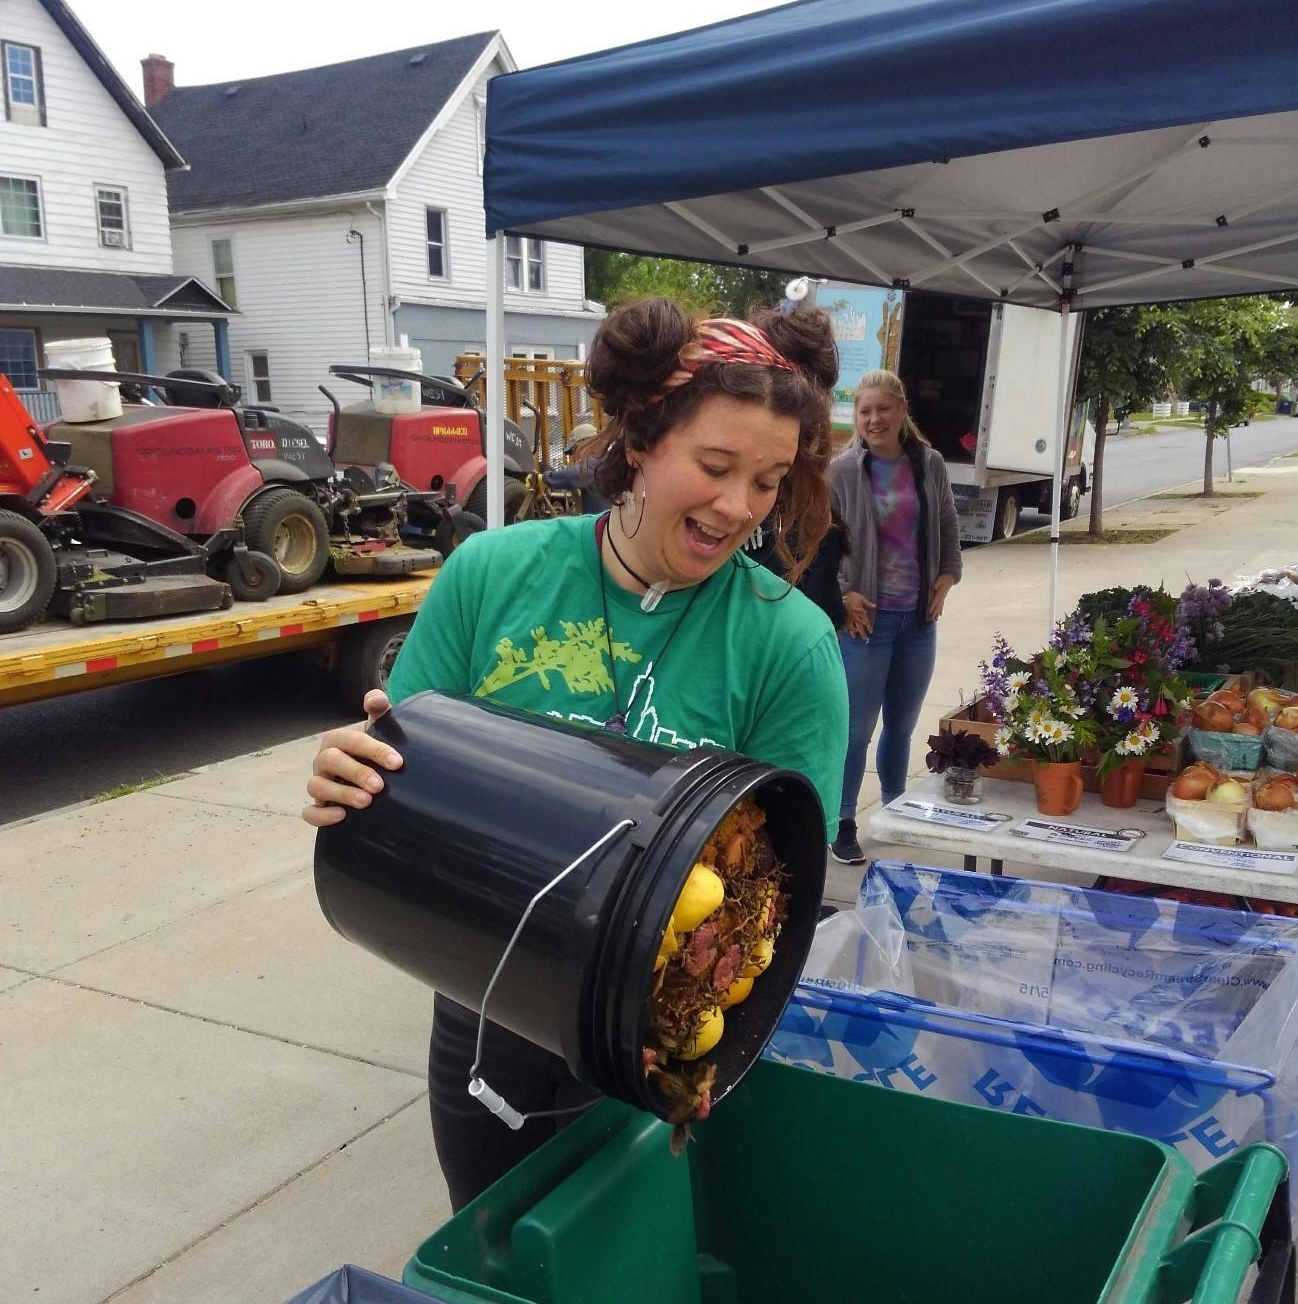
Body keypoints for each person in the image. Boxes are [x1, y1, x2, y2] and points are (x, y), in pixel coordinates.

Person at [304, 299, 848, 1209]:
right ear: (641, 439)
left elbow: (779, 892)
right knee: (491, 1256)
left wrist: (688, 1041)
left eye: (767, 480)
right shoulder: (491, 575)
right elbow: (399, 777)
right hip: (481, 1018)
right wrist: (351, 778)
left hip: (653, 1054)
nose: (739, 507)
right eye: (715, 466)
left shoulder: (788, 644)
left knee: (612, 1298)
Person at [827, 369, 961, 864]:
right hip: (865, 625)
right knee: (855, 732)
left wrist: (947, 577)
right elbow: (820, 544)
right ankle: (841, 822)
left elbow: (947, 522)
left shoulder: (930, 465)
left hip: (917, 622)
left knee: (901, 728)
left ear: (902, 411)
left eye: (884, 408)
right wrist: (841, 595)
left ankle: (894, 811)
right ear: (856, 417)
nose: (874, 419)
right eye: (865, 411)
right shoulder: (841, 472)